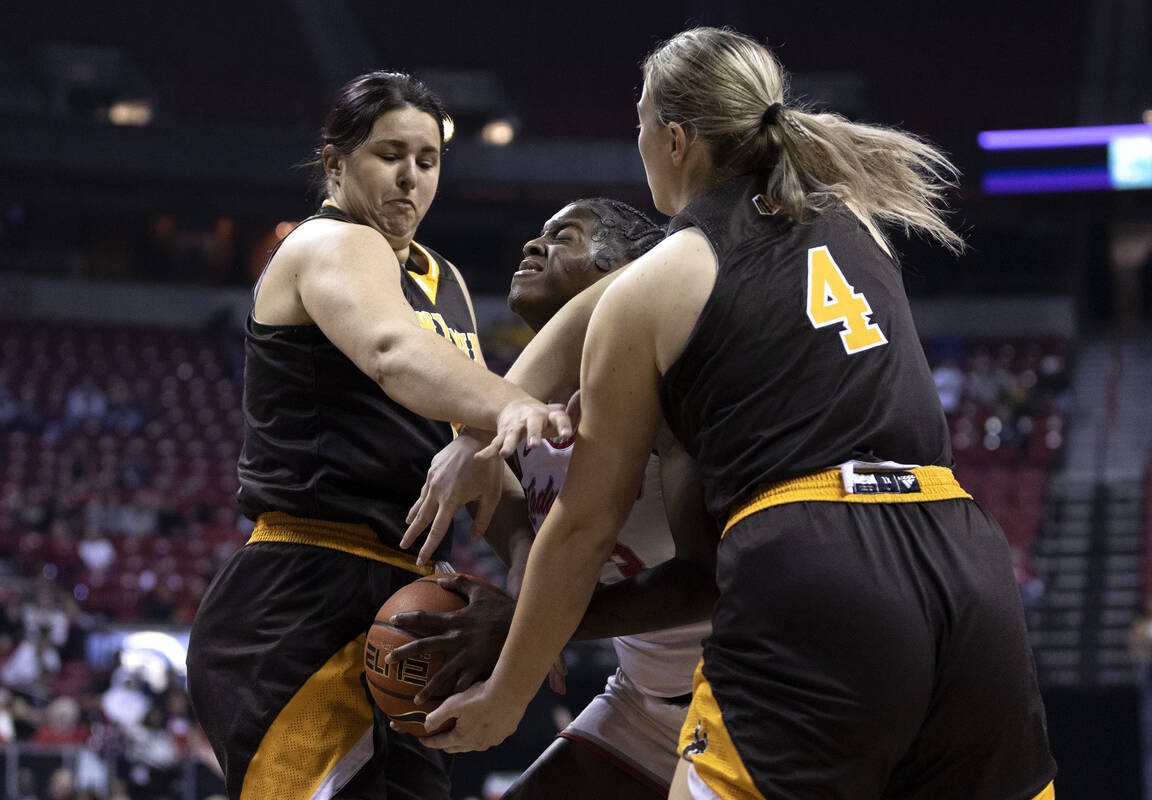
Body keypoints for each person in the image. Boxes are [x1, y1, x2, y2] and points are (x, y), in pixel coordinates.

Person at [419, 27, 1057, 800]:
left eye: (642, 124)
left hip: (818, 558)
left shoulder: (653, 288)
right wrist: (484, 428)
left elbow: (584, 528)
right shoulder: (853, 213)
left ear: (676, 141)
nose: (639, 143)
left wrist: (507, 695)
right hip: (963, 559)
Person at [184, 71, 571, 800]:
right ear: (335, 163)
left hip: (411, 606)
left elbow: (474, 458)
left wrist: (532, 582)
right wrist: (517, 402)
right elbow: (394, 354)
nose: (411, 177)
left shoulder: (444, 278)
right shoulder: (328, 244)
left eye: (427, 161)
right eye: (389, 154)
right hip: (303, 593)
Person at [397, 198, 713, 799]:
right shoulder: (517, 396)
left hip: (739, 688)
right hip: (643, 701)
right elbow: (488, 483)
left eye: (562, 236)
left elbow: (707, 581)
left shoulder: (672, 392)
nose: (532, 246)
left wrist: (530, 625)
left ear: (628, 269)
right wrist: (519, 546)